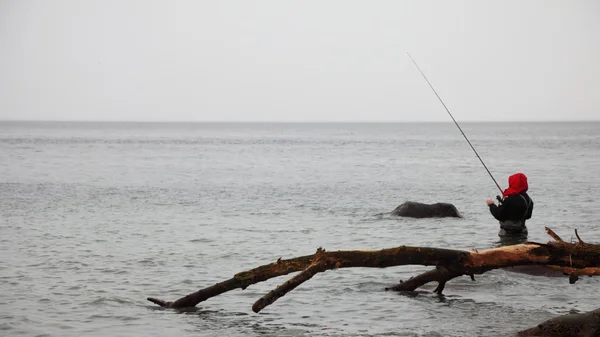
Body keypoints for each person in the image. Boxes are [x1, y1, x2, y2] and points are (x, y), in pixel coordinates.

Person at [486, 172, 534, 237]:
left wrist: (491, 205)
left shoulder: (510, 199)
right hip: (523, 232)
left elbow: (499, 215)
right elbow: (528, 216)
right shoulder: (528, 199)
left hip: (507, 234)